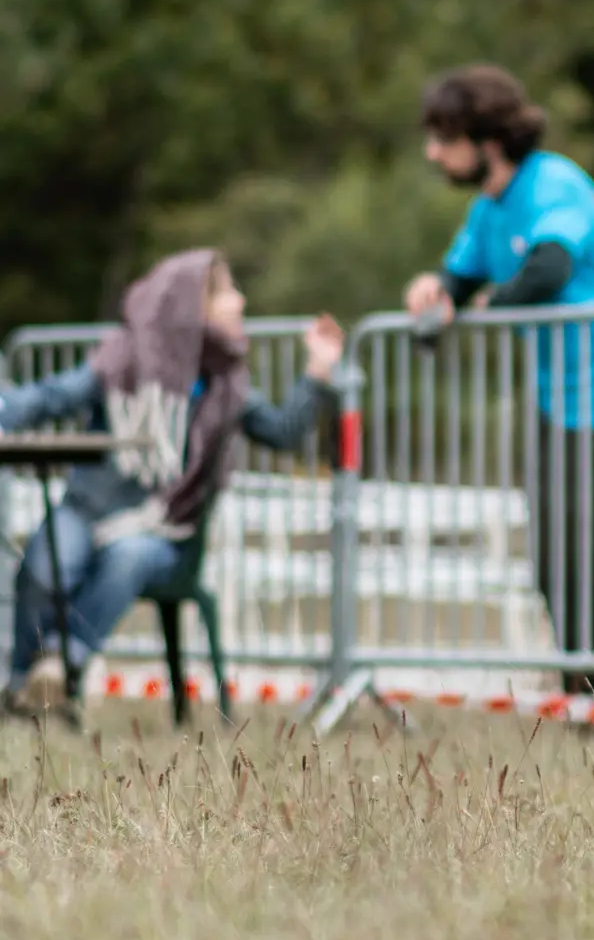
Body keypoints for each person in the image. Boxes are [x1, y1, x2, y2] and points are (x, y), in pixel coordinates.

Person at [403, 64, 594, 702]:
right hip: (555, 404)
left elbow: (550, 265)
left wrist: (494, 304)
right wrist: (432, 298)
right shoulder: (490, 207)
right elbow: (457, 278)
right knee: (553, 568)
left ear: (485, 140)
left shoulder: (554, 181)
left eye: (444, 137)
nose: (432, 153)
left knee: (578, 565)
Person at [0, 251, 343, 717]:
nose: (239, 301)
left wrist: (317, 372)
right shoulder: (122, 359)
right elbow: (54, 397)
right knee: (45, 562)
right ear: (188, 304)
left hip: (165, 530)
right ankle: (23, 687)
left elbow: (281, 430)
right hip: (88, 507)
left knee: (129, 555)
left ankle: (62, 667)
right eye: (226, 292)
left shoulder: (225, 381)